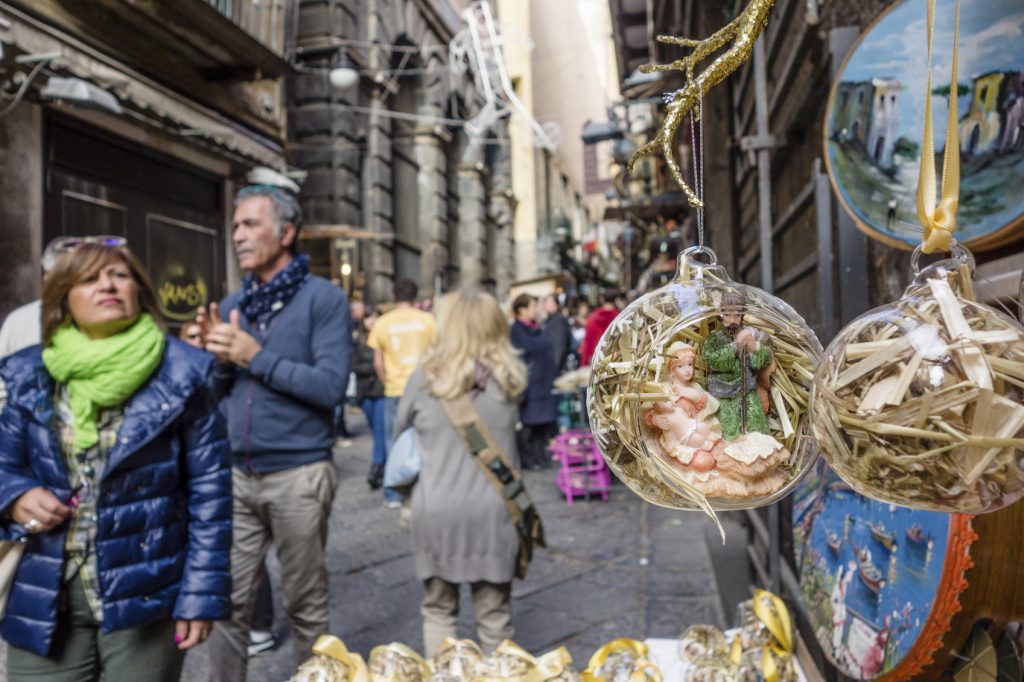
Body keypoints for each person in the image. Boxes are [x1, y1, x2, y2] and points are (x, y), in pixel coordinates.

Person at [0, 242, 231, 681]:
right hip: (45, 593)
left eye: (119, 275)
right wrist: (15, 496)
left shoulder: (183, 374)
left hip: (146, 597)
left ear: (140, 292)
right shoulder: (28, 373)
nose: (107, 284)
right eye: (89, 278)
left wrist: (201, 596)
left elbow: (211, 495)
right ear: (62, 297)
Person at [199, 184, 351, 681]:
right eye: (235, 226)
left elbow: (329, 388)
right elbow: (220, 389)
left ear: (285, 232)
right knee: (226, 605)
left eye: (250, 225)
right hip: (237, 476)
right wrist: (218, 361)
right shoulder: (235, 301)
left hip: (299, 475)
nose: (238, 235)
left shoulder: (323, 299)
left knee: (305, 605)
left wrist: (252, 356)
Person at [392, 289, 527, 655]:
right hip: (494, 513)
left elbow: (399, 438)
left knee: (438, 612)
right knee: (495, 617)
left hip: (436, 510)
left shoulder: (422, 382)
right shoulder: (510, 382)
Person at [367, 277, 436, 507]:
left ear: (395, 296)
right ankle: (425, 486)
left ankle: (394, 492)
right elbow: (437, 355)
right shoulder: (428, 320)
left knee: (393, 440)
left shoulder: (383, 323)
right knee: (427, 437)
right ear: (414, 296)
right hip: (424, 388)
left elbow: (378, 362)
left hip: (396, 388)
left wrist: (389, 381)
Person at [509, 294, 558, 471]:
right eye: (532, 306)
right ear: (521, 310)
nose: (535, 310)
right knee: (529, 425)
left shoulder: (538, 328)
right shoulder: (516, 331)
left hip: (544, 384)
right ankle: (529, 459)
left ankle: (540, 455)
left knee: (542, 425)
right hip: (529, 386)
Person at [353, 308, 387, 489]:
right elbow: (354, 365)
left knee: (381, 431)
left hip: (381, 391)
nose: (372, 321)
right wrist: (377, 367)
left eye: (376, 317)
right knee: (376, 431)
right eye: (369, 317)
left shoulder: (385, 338)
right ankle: (382, 463)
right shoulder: (358, 340)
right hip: (365, 391)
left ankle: (377, 467)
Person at [579, 290, 622, 366]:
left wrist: (584, 363)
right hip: (615, 361)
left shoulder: (592, 318)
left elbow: (587, 343)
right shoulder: (620, 318)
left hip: (596, 360)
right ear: (615, 300)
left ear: (602, 300)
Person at [540, 294, 572, 376]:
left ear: (554, 303)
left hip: (557, 369)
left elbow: (559, 346)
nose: (545, 305)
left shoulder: (558, 320)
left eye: (548, 302)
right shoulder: (549, 320)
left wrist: (553, 369)